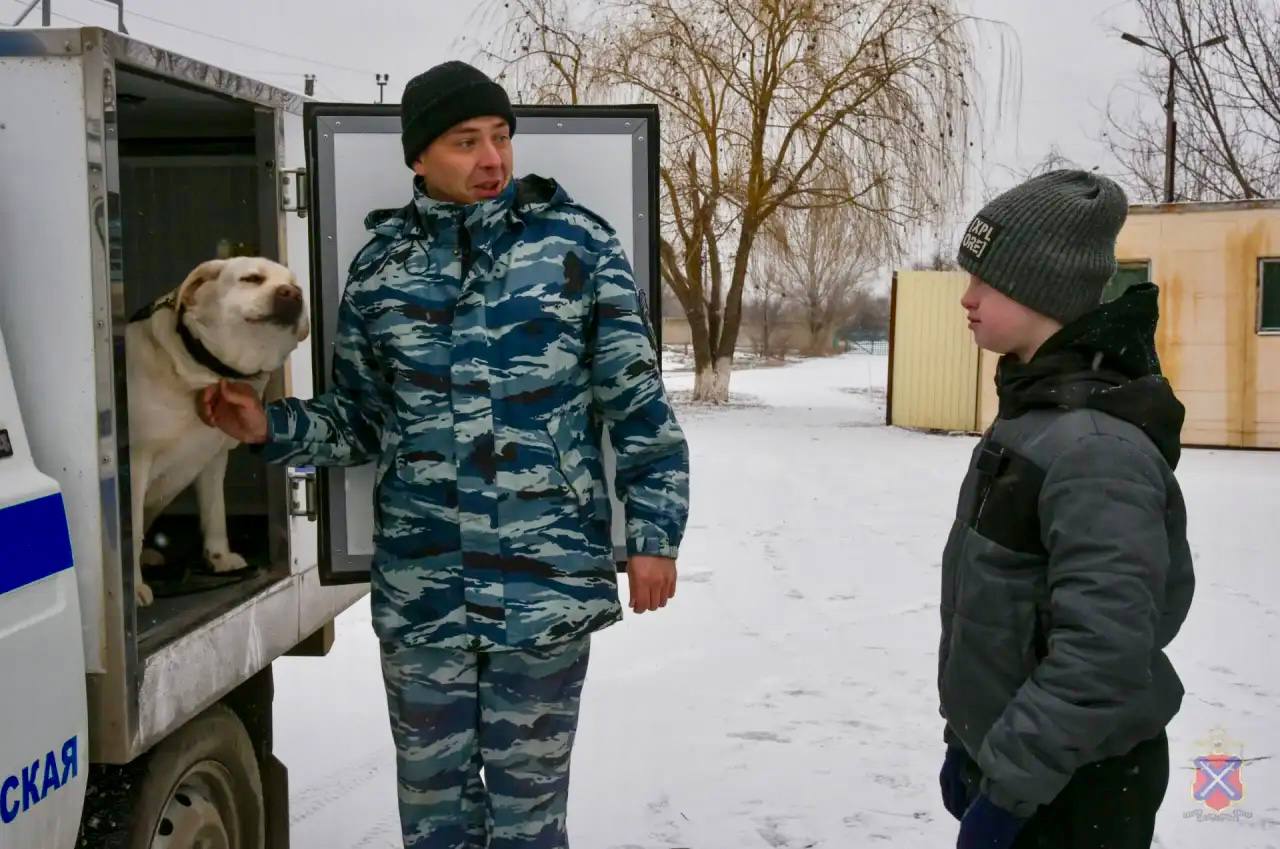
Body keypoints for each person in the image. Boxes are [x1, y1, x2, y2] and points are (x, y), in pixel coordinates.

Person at [200, 60, 690, 849]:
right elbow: (361, 419)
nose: (492, 158)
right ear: (419, 157)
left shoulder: (577, 245)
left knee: (530, 826)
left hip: (544, 587)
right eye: (466, 142)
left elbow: (636, 405)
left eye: (500, 137)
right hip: (424, 593)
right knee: (434, 824)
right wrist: (270, 426)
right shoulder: (380, 270)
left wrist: (654, 535)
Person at [936, 170, 1195, 849]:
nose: (967, 297)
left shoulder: (1095, 449)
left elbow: (1102, 651)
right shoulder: (1034, 415)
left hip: (1077, 785)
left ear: (1041, 289)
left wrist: (1010, 788)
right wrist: (966, 739)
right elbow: (1001, 608)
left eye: (986, 280)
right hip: (1026, 765)